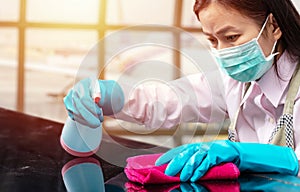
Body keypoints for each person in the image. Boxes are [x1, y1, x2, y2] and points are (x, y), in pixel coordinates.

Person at [64, 0, 300, 181]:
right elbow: (170, 101)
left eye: (231, 37)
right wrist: (112, 97)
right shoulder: (235, 82)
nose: (224, 51)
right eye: (213, 41)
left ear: (274, 25)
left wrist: (241, 154)